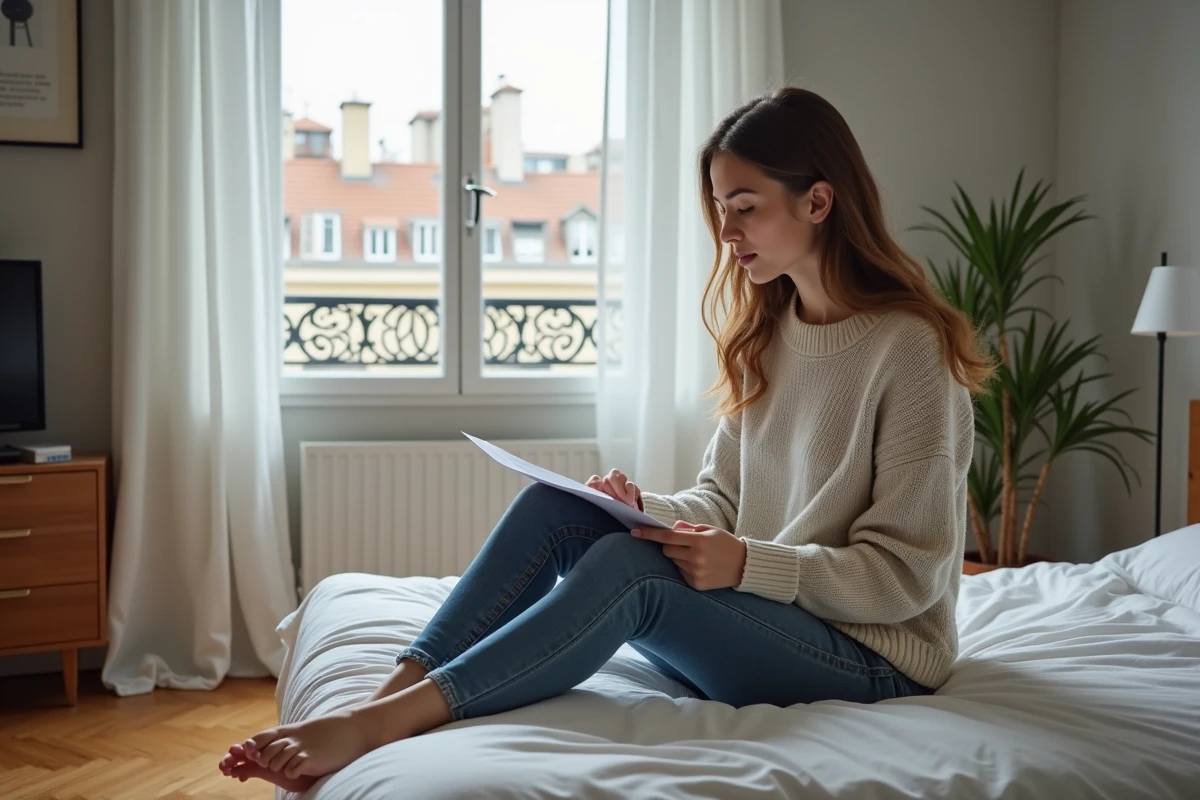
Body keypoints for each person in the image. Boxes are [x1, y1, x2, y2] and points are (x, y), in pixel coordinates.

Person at [219, 86, 993, 791]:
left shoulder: (911, 350)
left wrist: (750, 562)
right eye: (721, 207)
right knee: (559, 511)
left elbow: (908, 577)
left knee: (629, 573)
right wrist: (643, 506)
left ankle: (377, 726)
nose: (725, 231)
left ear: (818, 201)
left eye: (746, 207)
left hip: (873, 658)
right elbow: (724, 498)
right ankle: (390, 696)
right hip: (769, 619)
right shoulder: (771, 331)